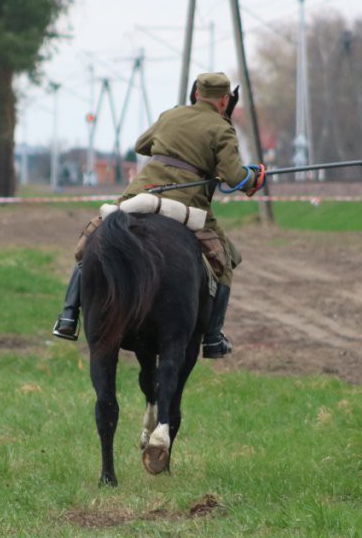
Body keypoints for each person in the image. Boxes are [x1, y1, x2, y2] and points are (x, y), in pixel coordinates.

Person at [52, 72, 264, 359]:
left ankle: (67, 316)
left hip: (141, 192)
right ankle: (213, 337)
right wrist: (255, 176)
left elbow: (141, 146)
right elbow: (234, 176)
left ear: (197, 94)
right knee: (225, 258)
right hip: (186, 202)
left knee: (92, 239)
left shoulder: (171, 115)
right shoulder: (222, 128)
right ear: (225, 100)